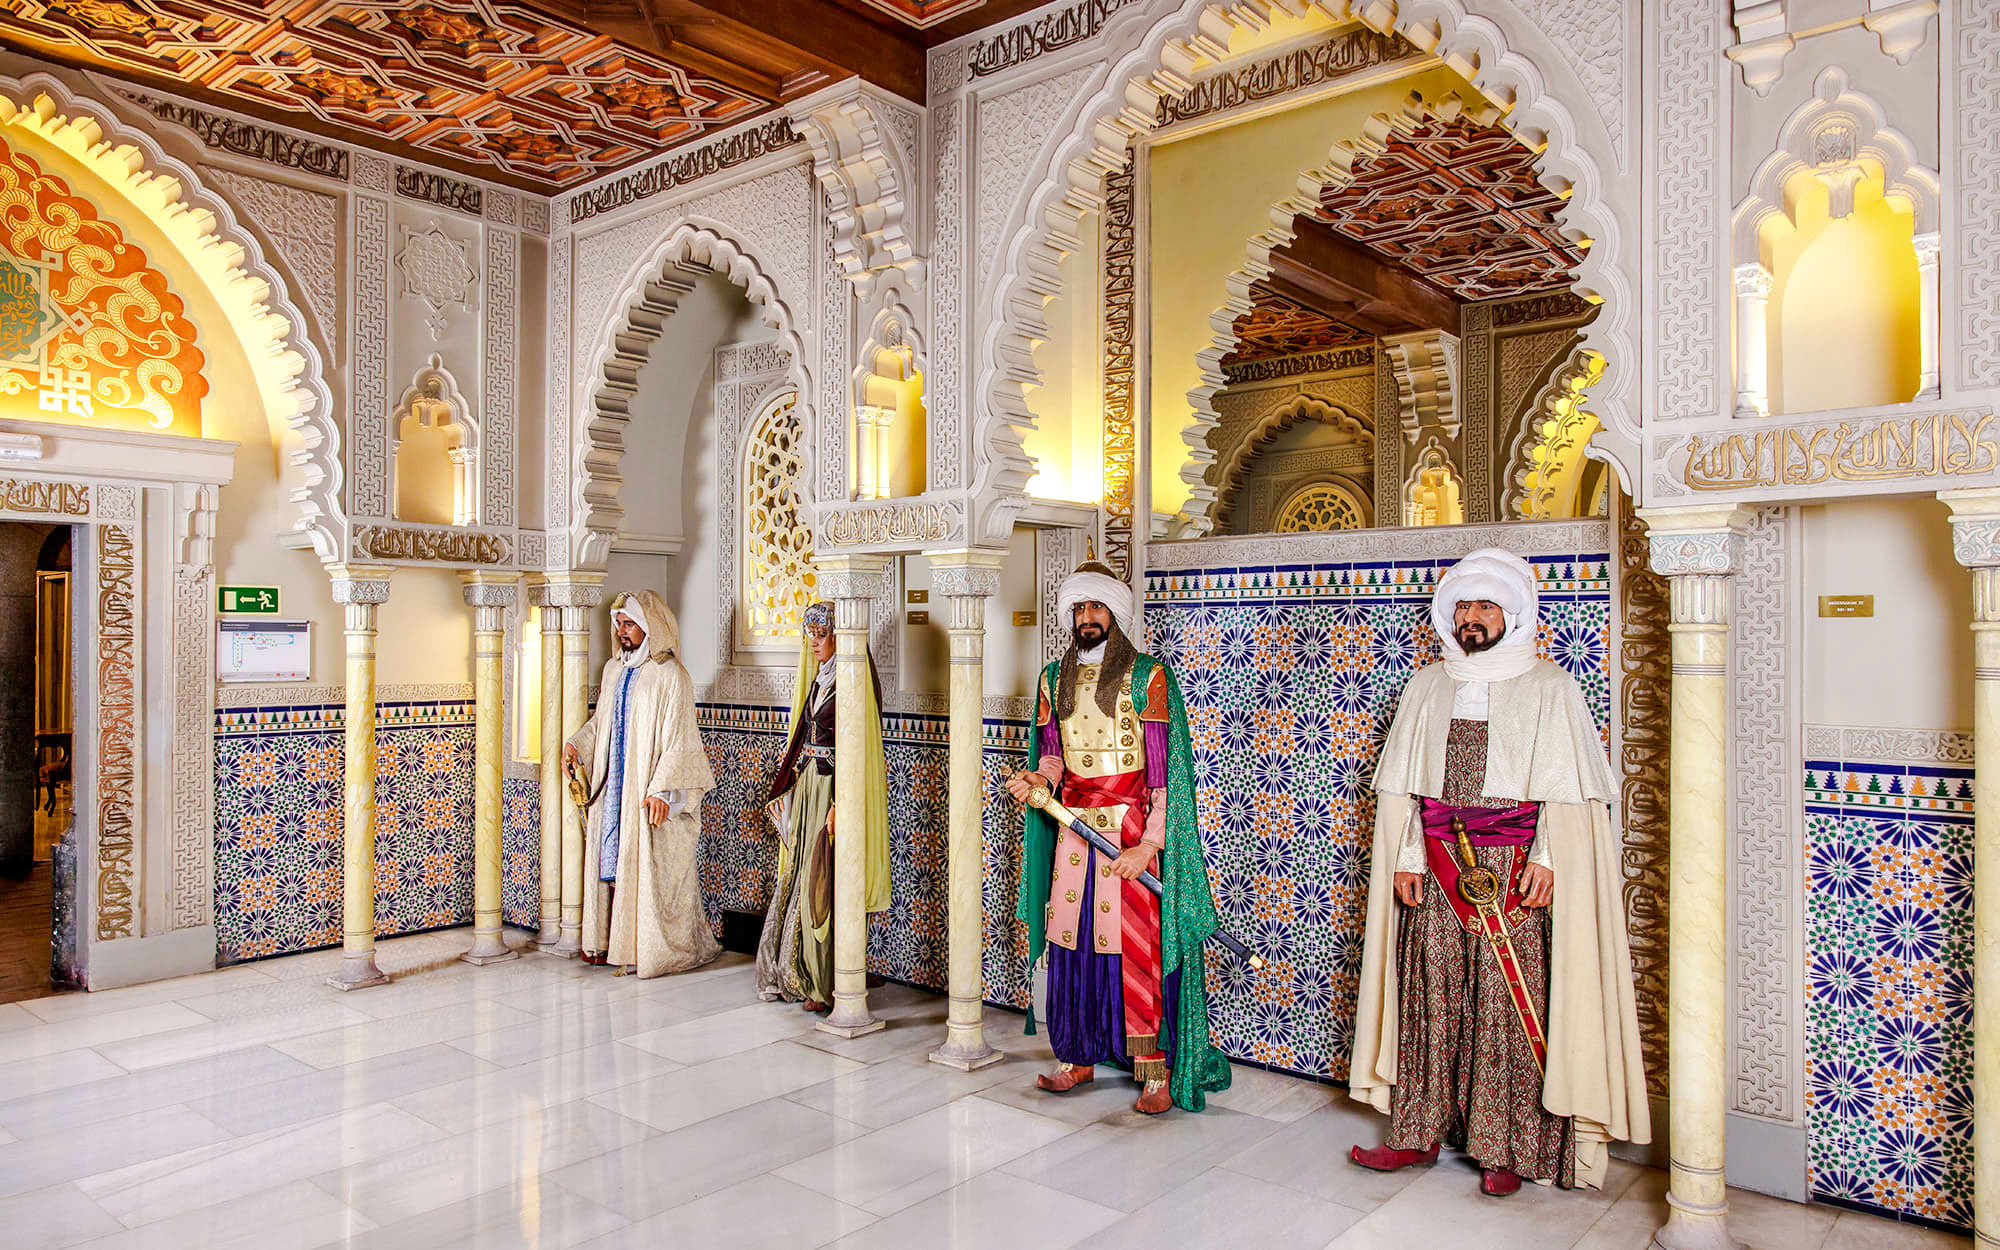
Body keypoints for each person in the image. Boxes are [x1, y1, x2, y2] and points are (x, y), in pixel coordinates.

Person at [1348, 548, 1649, 1194]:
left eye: (1486, 606)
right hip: (1436, 868)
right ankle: (1415, 1133)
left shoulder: (1550, 687)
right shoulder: (1428, 685)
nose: (1473, 618)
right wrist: (1406, 858)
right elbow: (1409, 792)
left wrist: (1547, 858)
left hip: (1513, 870)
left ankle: (1502, 1149)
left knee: (1505, 1005)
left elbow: (1567, 797)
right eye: (1464, 606)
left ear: (1511, 615)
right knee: (1429, 998)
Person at [1005, 562, 1231, 1115]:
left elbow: (1164, 776)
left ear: (1115, 614)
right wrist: (1039, 782)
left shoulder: (1148, 677)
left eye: (1097, 607)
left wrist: (1148, 845)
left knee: (1136, 950)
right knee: (1072, 945)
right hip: (1073, 833)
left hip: (1129, 833)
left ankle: (1154, 1071)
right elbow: (1053, 757)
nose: (1087, 617)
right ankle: (1077, 1055)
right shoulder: (1051, 679)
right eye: (1079, 608)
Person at [561, 590, 720, 978]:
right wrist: (577, 745)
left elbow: (680, 738)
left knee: (648, 866)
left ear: (650, 627)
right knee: (612, 860)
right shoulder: (614, 671)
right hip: (614, 788)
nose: (621, 631)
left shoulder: (672, 676)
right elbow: (602, 724)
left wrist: (662, 789)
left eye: (629, 624)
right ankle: (609, 942)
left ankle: (647, 948)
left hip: (646, 790)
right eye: (618, 623)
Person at [755, 601, 889, 1012]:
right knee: (804, 871)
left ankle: (826, 981)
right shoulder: (820, 681)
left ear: (839, 636)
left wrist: (839, 804)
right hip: (811, 786)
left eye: (821, 634)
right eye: (810, 635)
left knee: (825, 877)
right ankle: (802, 973)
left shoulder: (854, 682)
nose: (814, 642)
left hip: (834, 789)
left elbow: (857, 750)